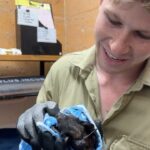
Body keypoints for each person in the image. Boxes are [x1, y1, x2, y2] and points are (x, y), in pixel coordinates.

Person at [17, 0, 150, 149]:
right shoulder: (62, 71)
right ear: (100, 3)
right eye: (113, 20)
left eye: (143, 35)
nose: (116, 48)